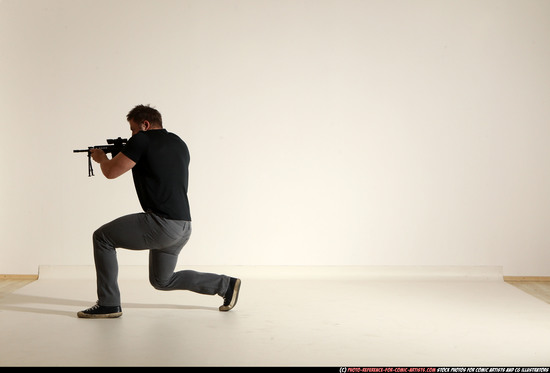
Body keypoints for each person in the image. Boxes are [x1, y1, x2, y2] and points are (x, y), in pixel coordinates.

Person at [77, 104, 241, 318]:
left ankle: (108, 304)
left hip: (161, 224)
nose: (132, 135)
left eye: (133, 129)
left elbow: (110, 172)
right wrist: (126, 150)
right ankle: (225, 285)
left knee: (102, 238)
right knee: (162, 281)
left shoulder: (141, 140)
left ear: (145, 124)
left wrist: (101, 158)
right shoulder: (178, 142)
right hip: (183, 225)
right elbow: (156, 165)